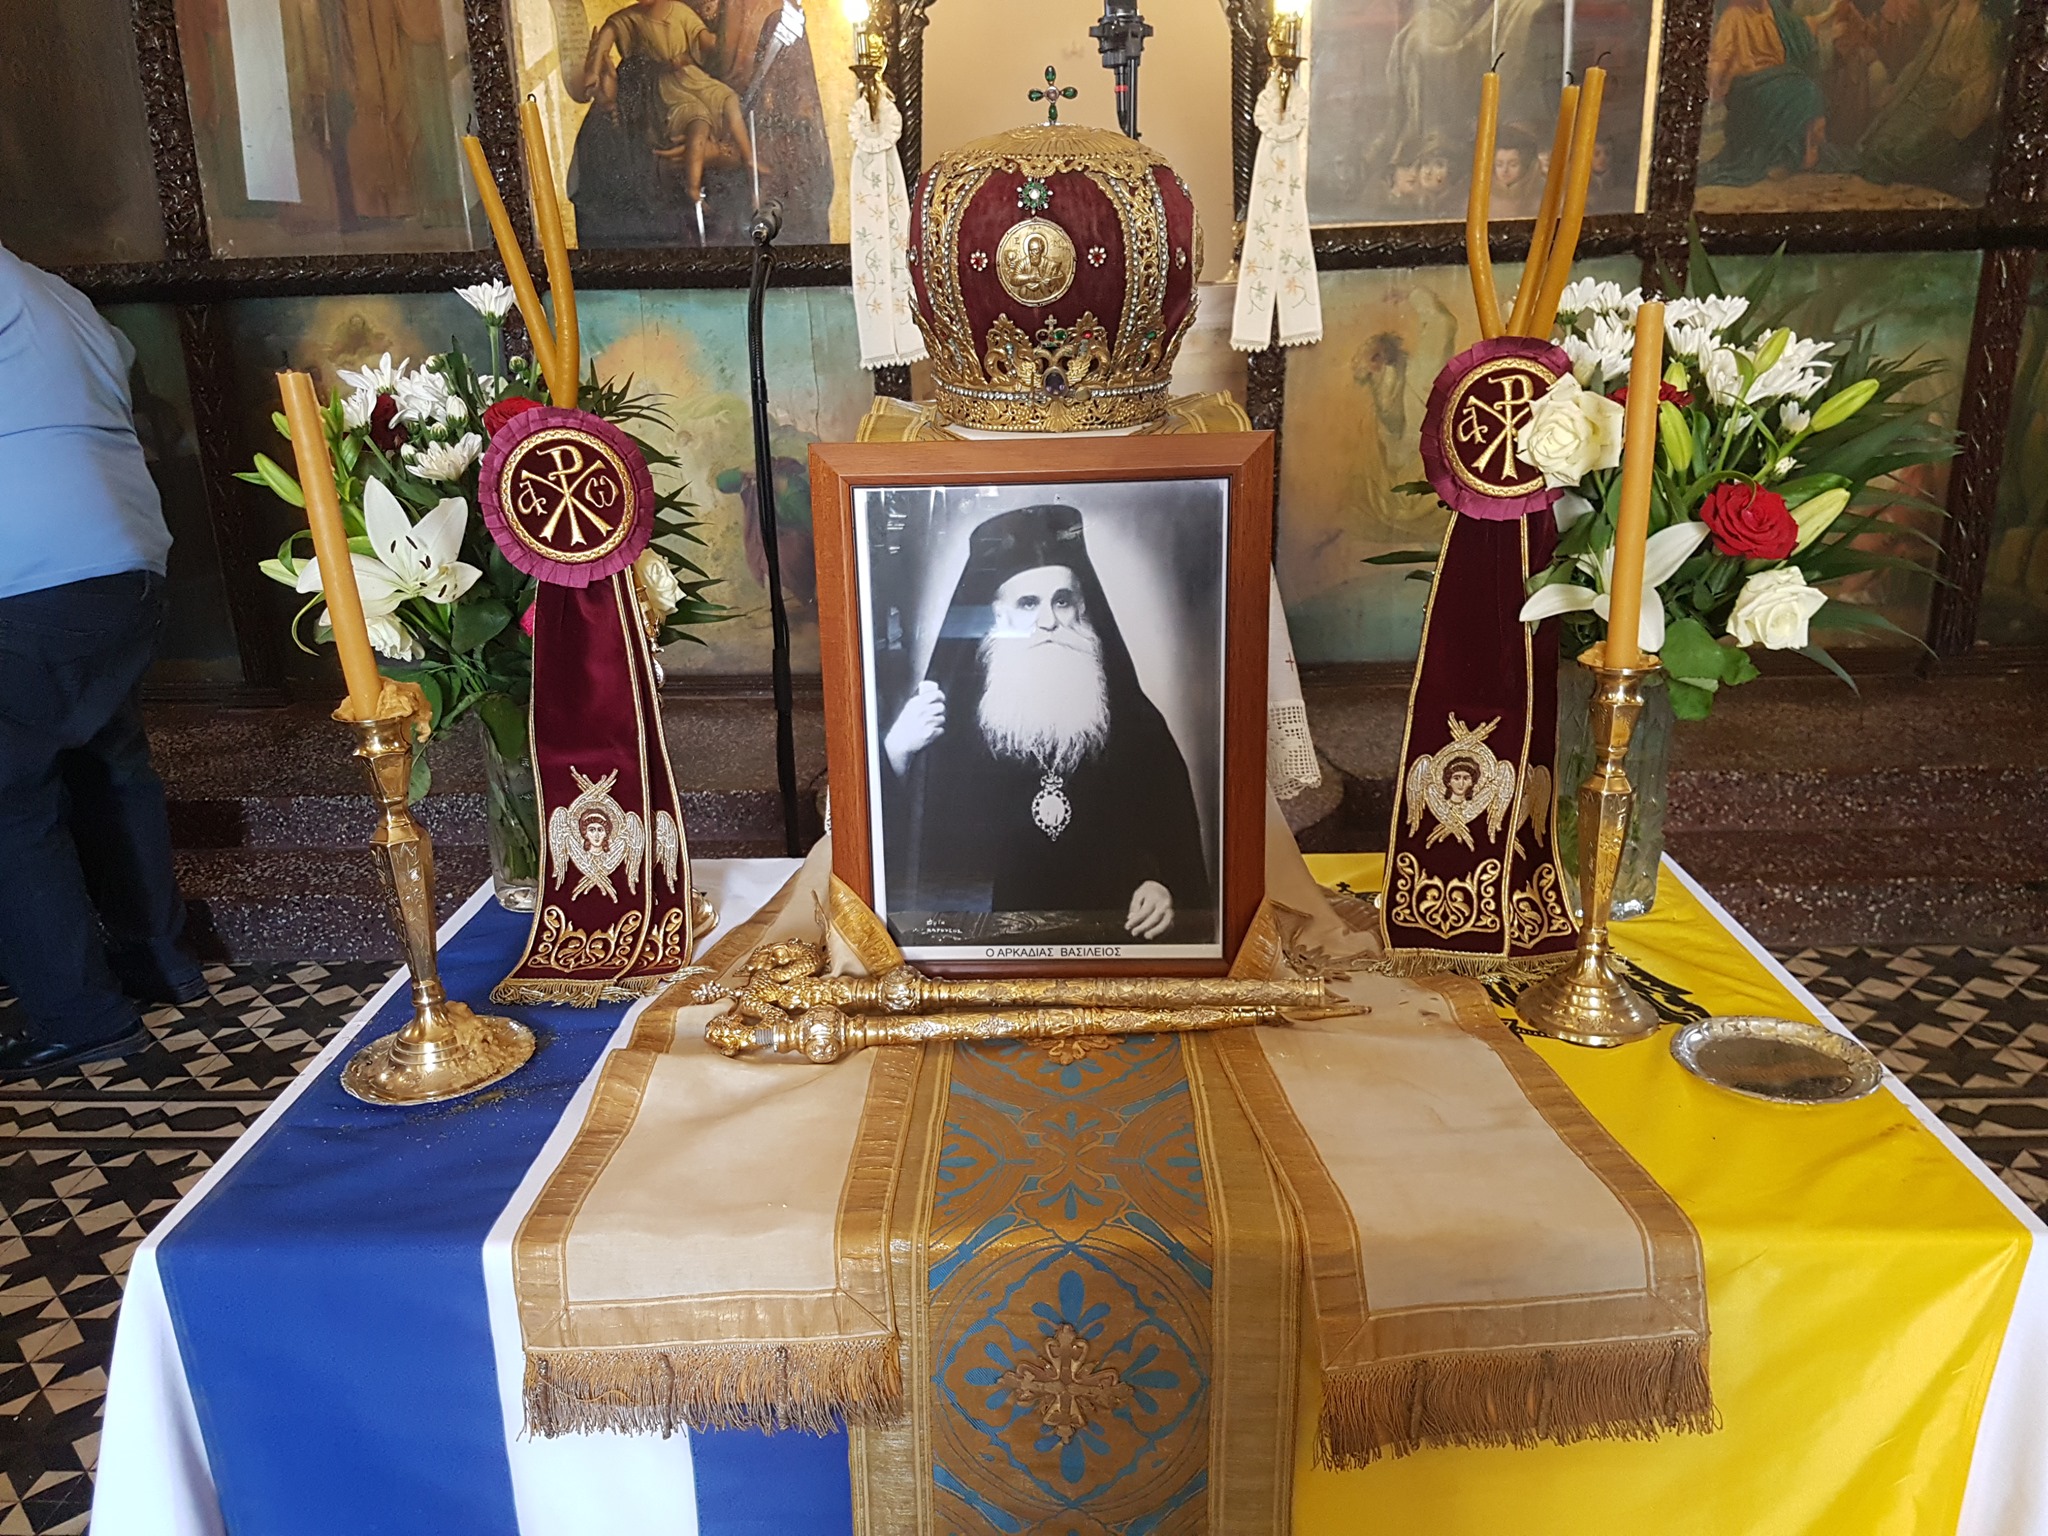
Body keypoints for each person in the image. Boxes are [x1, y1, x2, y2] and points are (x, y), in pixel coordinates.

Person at [0, 242, 203, 1077]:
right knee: (107, 762)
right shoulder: (55, 292)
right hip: (125, 568)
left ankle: (79, 1015)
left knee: (9, 800)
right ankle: (158, 960)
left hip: (29, 577)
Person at [879, 505, 1211, 948]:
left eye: (1062, 601)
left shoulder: (1133, 719)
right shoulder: (949, 721)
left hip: (1110, 932)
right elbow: (917, 856)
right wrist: (896, 753)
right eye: (1028, 603)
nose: (1048, 621)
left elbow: (1171, 838)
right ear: (999, 615)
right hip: (990, 942)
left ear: (1082, 609)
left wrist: (1162, 884)